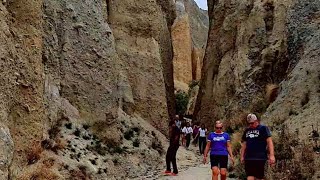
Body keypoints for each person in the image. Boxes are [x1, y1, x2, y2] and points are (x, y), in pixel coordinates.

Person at [241, 113, 275, 180]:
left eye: (252, 123)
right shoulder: (247, 130)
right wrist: (242, 156)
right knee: (249, 176)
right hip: (249, 158)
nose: (250, 125)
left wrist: (272, 155)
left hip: (260, 157)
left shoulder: (263, 128)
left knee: (260, 177)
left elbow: (269, 142)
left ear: (257, 121)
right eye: (249, 123)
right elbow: (244, 144)